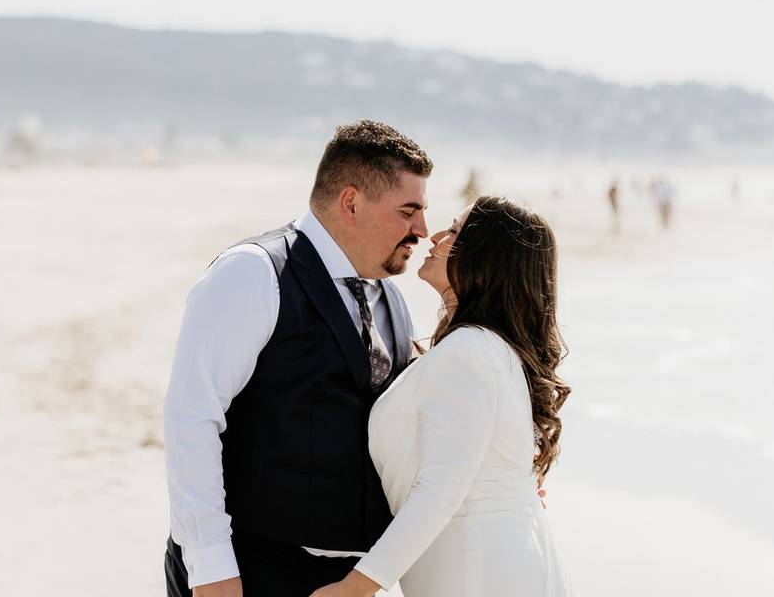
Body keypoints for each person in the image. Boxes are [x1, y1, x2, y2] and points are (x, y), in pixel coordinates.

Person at [163, 120, 432, 597]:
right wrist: (211, 566)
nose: (422, 231)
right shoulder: (253, 273)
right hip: (248, 572)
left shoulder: (393, 299)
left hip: (343, 584)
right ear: (351, 203)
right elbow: (192, 418)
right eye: (408, 211)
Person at [310, 196, 573, 597]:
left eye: (454, 231)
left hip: (480, 571)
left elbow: (439, 491)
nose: (435, 236)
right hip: (492, 561)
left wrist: (355, 588)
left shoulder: (468, 352)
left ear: (486, 258)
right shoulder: (478, 349)